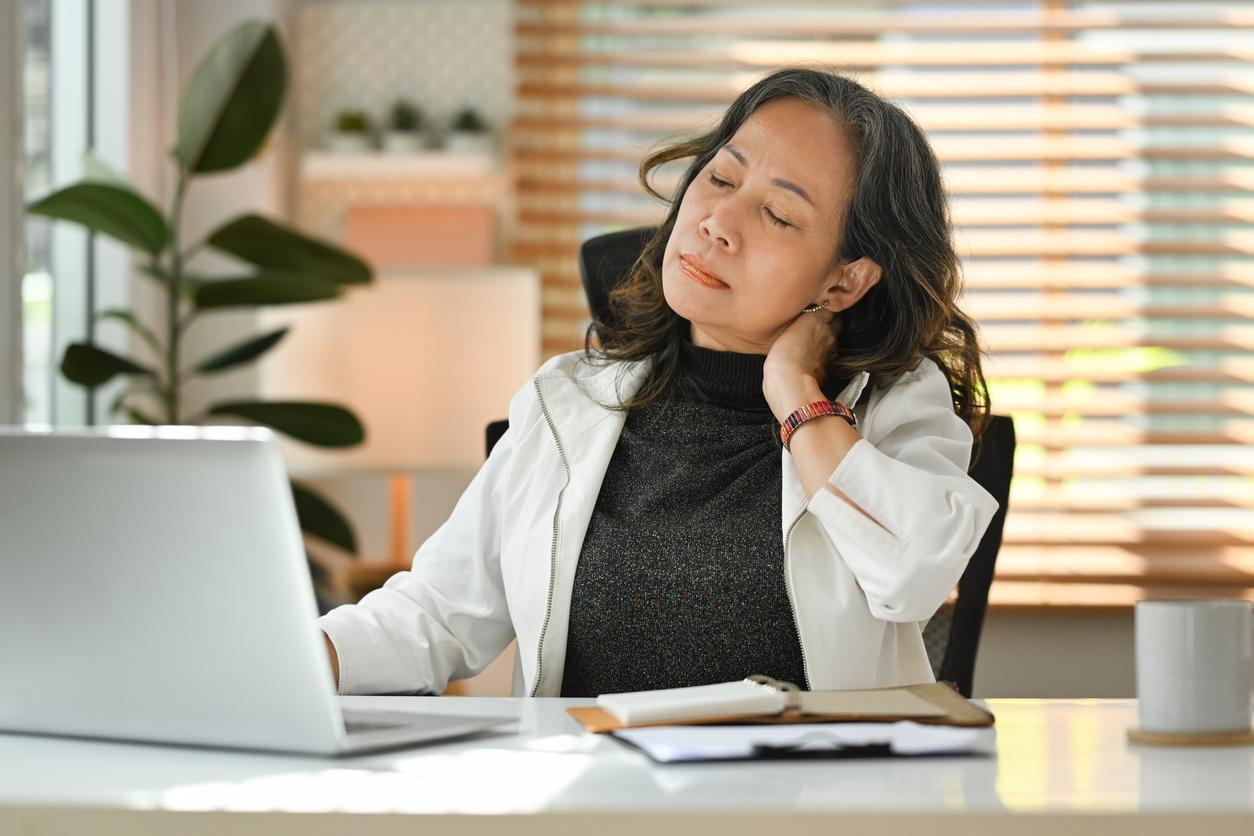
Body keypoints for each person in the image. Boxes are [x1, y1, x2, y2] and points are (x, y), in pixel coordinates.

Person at [319, 68, 999, 698]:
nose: (716, 223)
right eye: (721, 180)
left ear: (844, 279)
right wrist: (298, 656)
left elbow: (910, 576)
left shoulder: (891, 410)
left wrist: (796, 391)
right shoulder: (568, 402)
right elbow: (436, 615)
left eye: (779, 215)